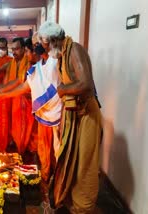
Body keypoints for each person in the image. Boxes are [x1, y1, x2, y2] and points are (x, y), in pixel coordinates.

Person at [0, 33, 62, 210]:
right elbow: (21, 86)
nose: (17, 52)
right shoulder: (35, 68)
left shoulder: (52, 64)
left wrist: (0, 94)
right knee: (44, 151)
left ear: (29, 51)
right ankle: (45, 182)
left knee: (56, 151)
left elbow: (26, 87)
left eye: (24, 49)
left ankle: (56, 187)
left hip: (57, 115)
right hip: (43, 115)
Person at [40, 21, 102, 213]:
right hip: (74, 115)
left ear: (52, 40)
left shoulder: (75, 50)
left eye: (45, 45)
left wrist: (62, 90)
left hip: (87, 116)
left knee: (84, 163)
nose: (45, 50)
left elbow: (86, 84)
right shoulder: (62, 54)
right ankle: (70, 201)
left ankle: (83, 207)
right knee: (69, 160)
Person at [0, 37, 35, 154]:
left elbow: (19, 82)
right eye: (13, 49)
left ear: (24, 49)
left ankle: (25, 154)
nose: (14, 52)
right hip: (14, 98)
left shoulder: (29, 62)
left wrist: (2, 93)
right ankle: (20, 150)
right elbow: (8, 80)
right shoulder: (12, 63)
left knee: (27, 130)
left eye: (17, 49)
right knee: (16, 128)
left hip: (26, 101)